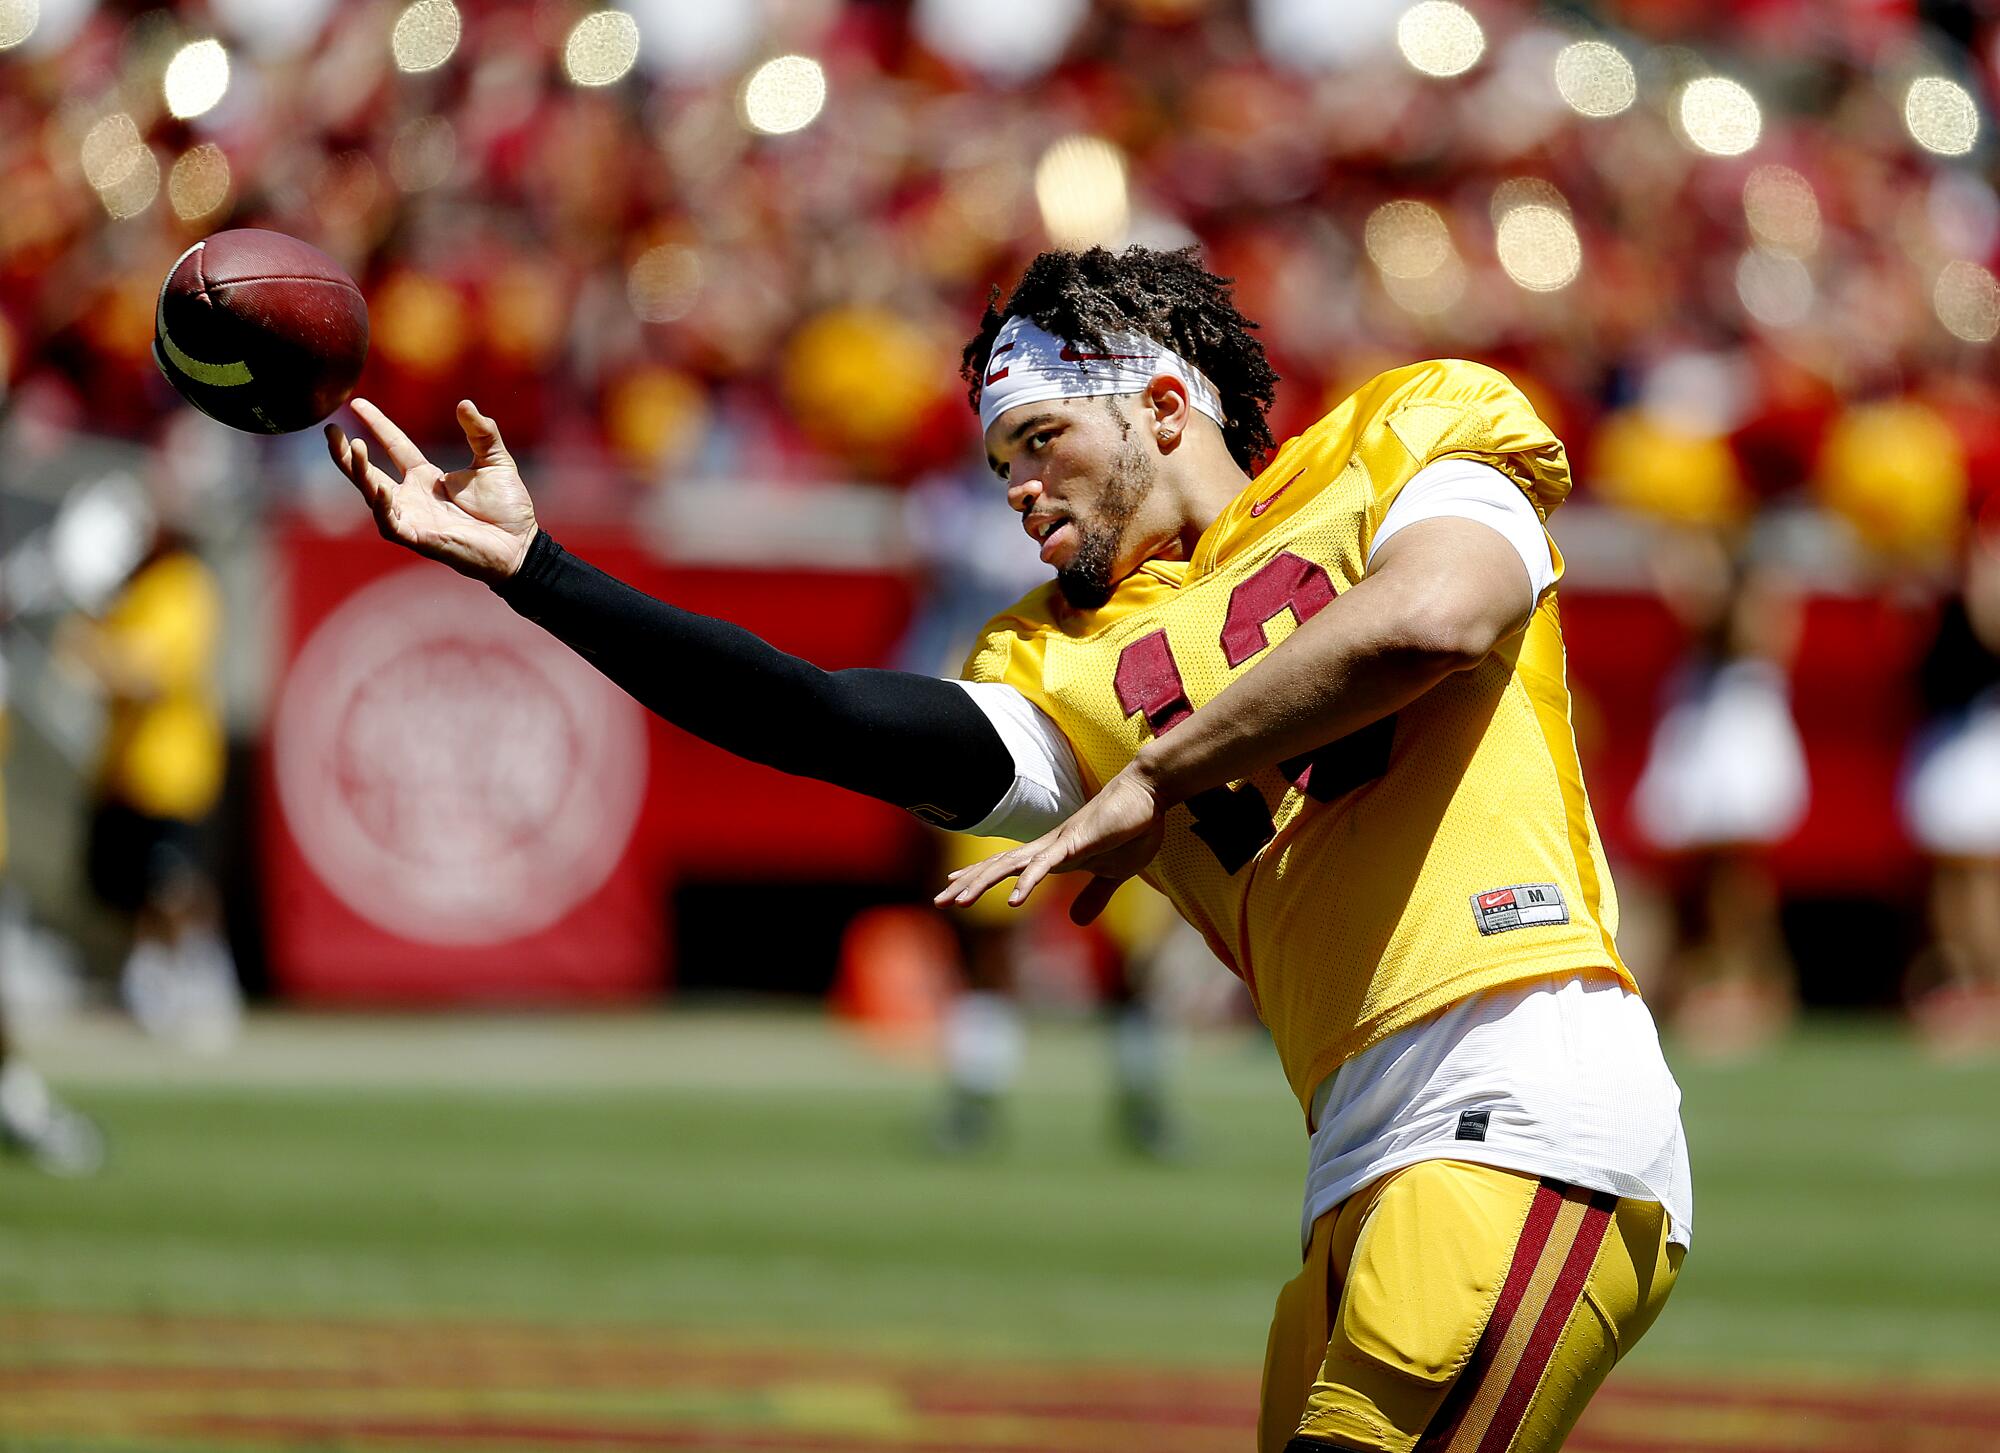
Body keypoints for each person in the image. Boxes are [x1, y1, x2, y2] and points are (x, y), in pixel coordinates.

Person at [329, 245, 1689, 1453]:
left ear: (1164, 408)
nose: (1018, 493)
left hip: (1523, 1084)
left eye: (1041, 441)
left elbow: (1436, 617)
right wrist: (537, 572)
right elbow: (817, 714)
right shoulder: (1059, 659)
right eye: (998, 463)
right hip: (1358, 1147)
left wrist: (1161, 769)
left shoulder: (1410, 431)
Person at [58, 527, 241, 1053]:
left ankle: (201, 978)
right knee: (126, 885)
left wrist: (91, 649)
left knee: (174, 881)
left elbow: (150, 672)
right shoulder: (133, 592)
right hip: (124, 768)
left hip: (171, 770)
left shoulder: (183, 586)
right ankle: (153, 981)